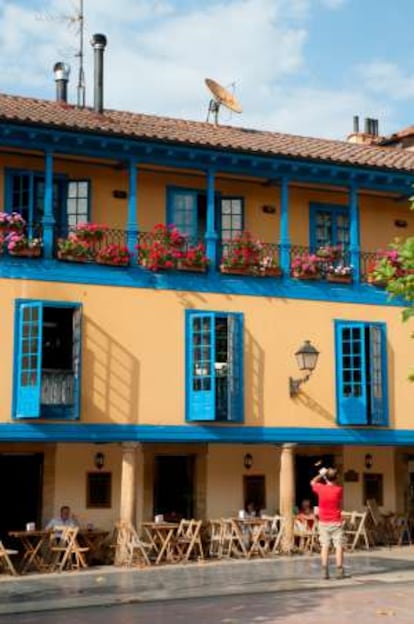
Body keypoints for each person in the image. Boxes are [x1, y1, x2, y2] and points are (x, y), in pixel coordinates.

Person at [310, 467, 345, 580]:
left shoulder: (321, 488)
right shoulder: (339, 489)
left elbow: (312, 482)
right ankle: (339, 570)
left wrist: (321, 474)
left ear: (326, 478)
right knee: (338, 546)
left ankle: (325, 571)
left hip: (323, 521)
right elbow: (339, 501)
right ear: (336, 478)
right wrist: (328, 477)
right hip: (335, 521)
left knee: (324, 546)